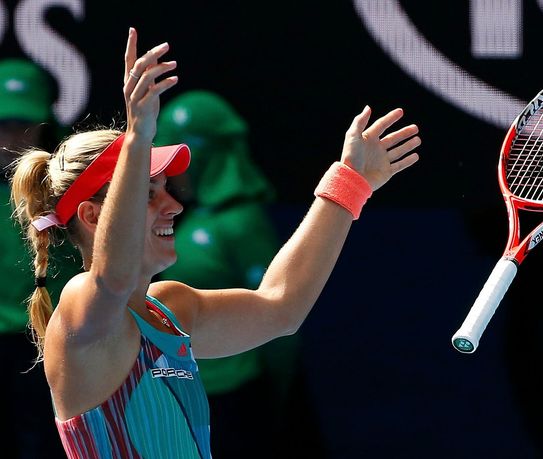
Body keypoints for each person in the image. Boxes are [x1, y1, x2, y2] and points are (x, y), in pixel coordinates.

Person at [9, 27, 420, 458]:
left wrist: (349, 182)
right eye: (149, 193)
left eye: (166, 187)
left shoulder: (173, 310)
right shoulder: (79, 307)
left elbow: (281, 306)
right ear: (93, 215)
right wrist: (136, 138)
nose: (173, 205)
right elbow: (113, 278)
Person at [155, 90, 325, 457]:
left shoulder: (239, 223)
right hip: (187, 395)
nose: (169, 174)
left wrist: (278, 398)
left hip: (236, 400)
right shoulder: (181, 219)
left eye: (179, 159)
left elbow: (280, 320)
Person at [0, 57, 81, 458]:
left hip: (61, 336)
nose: (11, 137)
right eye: (3, 125)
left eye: (23, 124)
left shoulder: (74, 179)